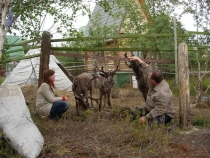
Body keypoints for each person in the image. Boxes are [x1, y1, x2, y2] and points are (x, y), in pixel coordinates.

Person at [129, 56, 175, 125]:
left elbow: (159, 110)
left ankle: (166, 130)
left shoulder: (163, 92)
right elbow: (147, 68)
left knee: (151, 124)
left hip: (165, 113)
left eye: (149, 77)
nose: (147, 76)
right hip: (152, 109)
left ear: (153, 81)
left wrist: (146, 117)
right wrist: (138, 59)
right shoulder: (156, 80)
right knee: (136, 112)